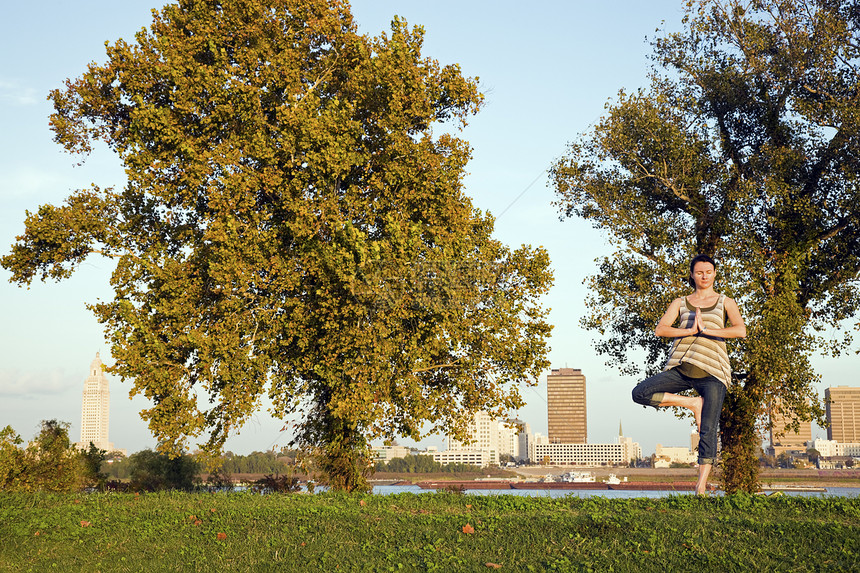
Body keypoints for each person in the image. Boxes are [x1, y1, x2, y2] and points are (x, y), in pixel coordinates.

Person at [631, 254, 746, 495]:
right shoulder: (680, 302)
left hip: (714, 371)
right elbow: (660, 329)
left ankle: (701, 486)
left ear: (715, 273)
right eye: (699, 272)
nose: (704, 276)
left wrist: (709, 330)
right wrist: (689, 330)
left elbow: (740, 330)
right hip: (682, 368)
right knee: (640, 392)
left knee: (708, 428)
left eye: (709, 271)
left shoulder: (726, 302)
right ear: (692, 275)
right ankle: (691, 403)